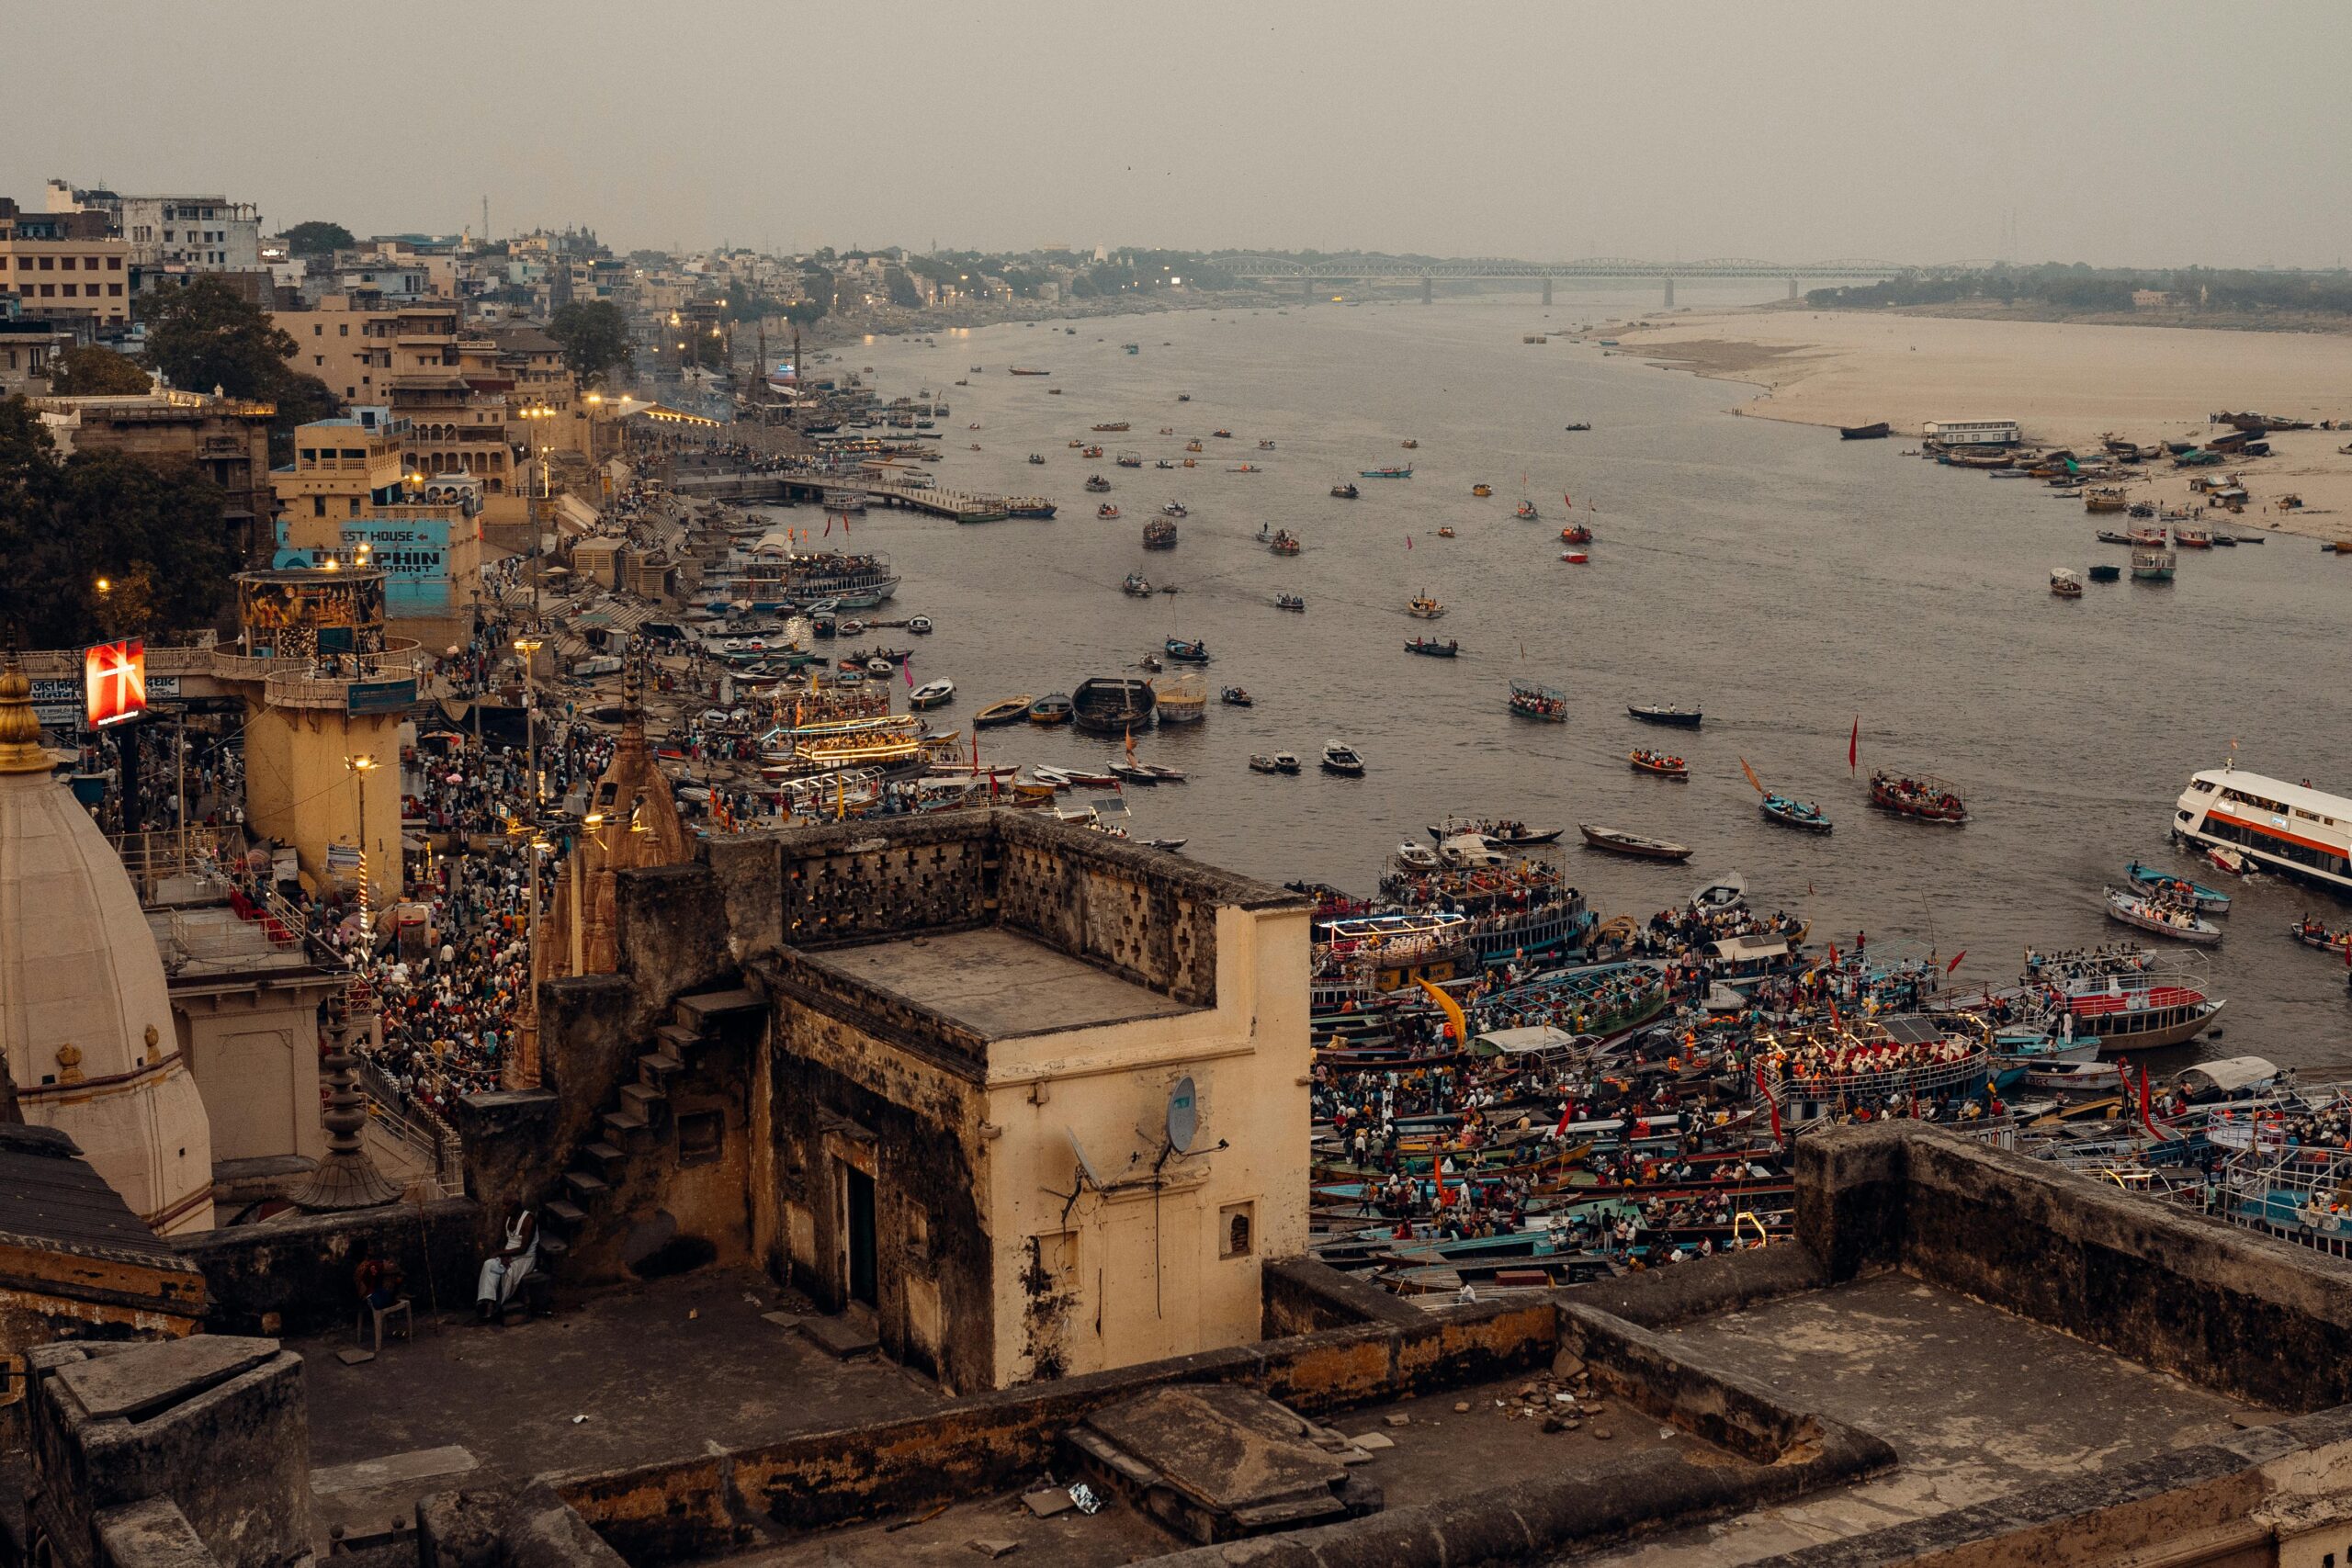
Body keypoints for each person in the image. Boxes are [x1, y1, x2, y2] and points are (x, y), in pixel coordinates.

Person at [477, 1207, 538, 1322]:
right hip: (508, 1254)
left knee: (507, 1273)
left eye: (508, 1205)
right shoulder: (507, 1217)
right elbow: (502, 1240)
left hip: (524, 1258)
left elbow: (523, 1249)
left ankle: (495, 1305)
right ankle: (487, 1302)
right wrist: (503, 1254)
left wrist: (500, 1253)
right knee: (489, 1264)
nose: (505, 1208)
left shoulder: (529, 1220)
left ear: (516, 1205)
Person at [354, 1237, 404, 1313]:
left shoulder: (360, 1266)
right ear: (366, 1251)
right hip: (374, 1300)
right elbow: (391, 1268)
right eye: (369, 1246)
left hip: (363, 1299)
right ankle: (397, 1296)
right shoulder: (372, 1265)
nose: (372, 1248)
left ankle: (397, 1295)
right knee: (397, 1278)